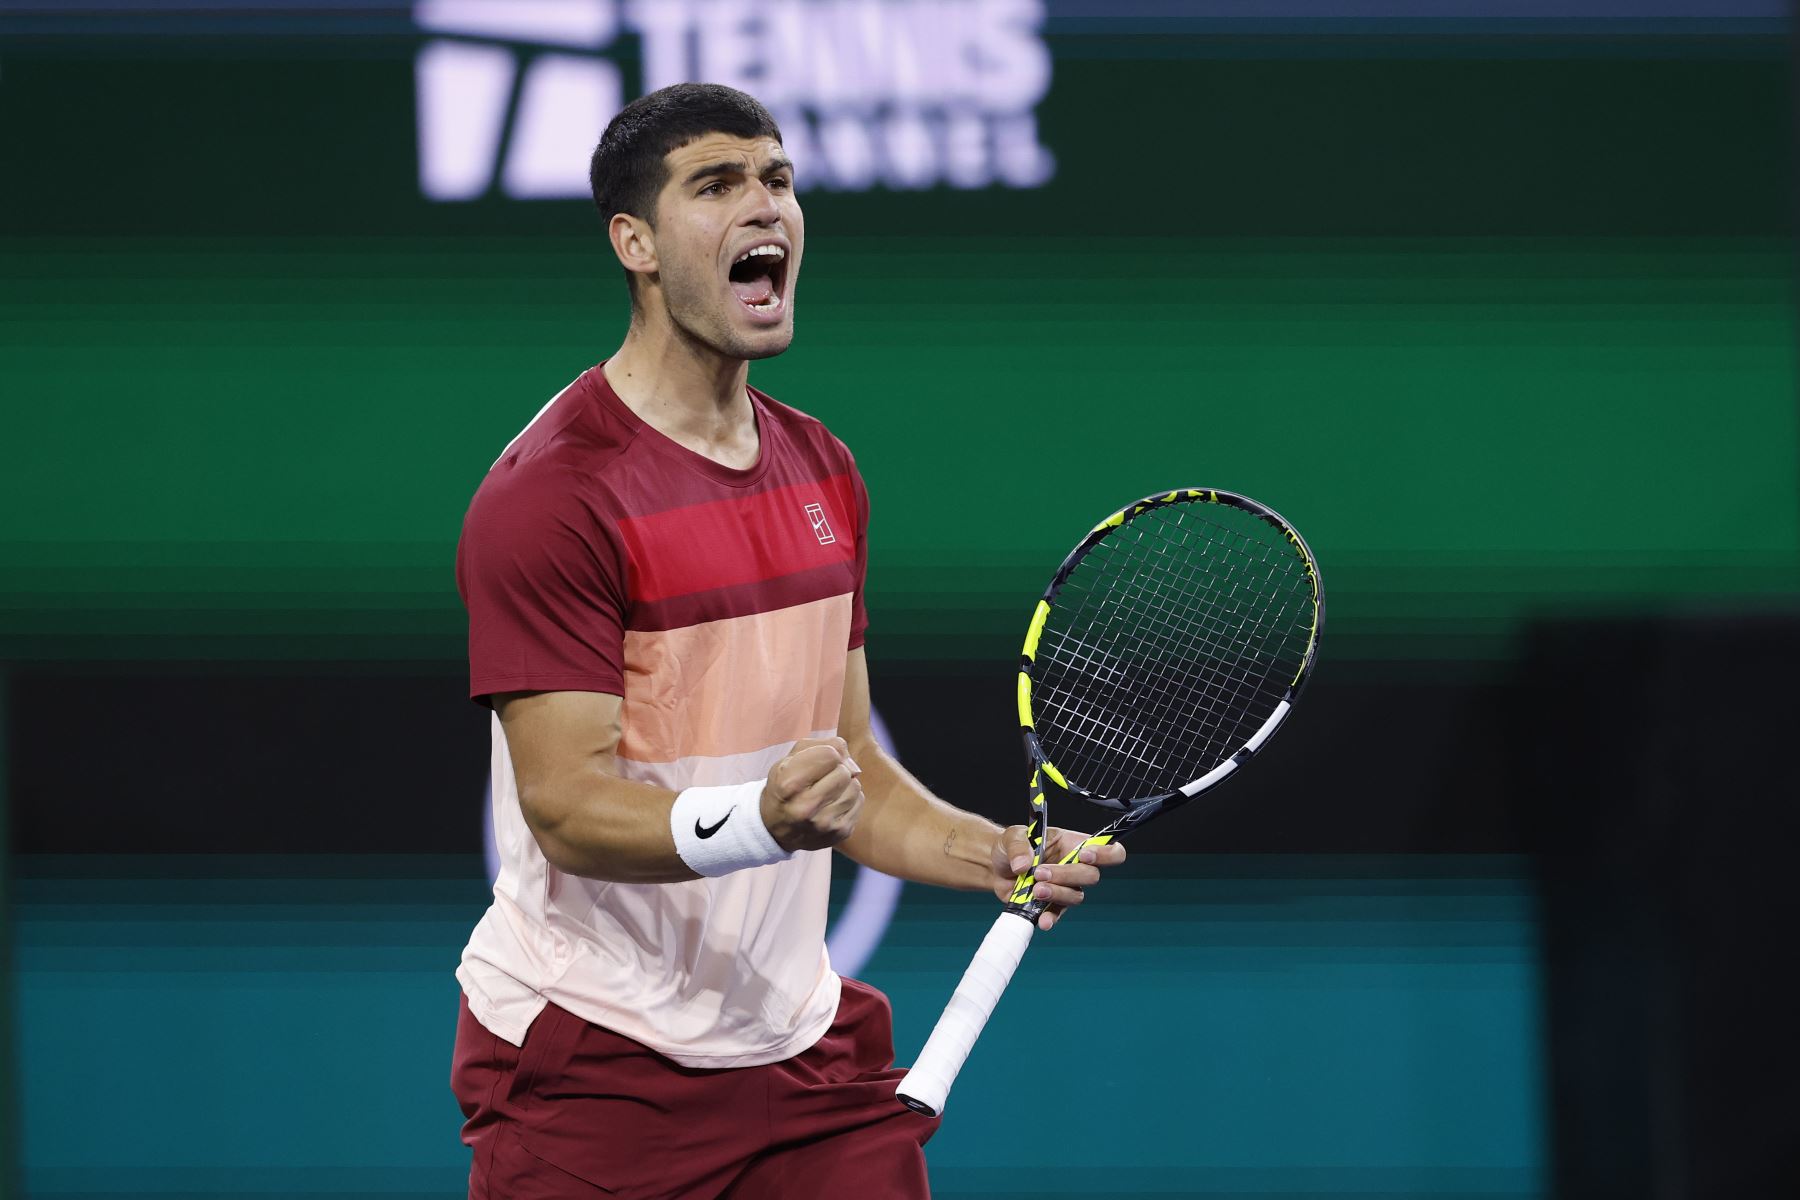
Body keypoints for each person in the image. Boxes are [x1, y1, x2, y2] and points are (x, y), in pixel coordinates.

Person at [448, 82, 1126, 1200]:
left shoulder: (822, 469)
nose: (765, 208)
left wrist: (991, 853)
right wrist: (754, 820)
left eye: (777, 181)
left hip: (801, 1054)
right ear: (636, 243)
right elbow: (565, 806)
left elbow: (848, 765)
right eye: (716, 186)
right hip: (599, 1064)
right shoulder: (553, 497)